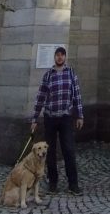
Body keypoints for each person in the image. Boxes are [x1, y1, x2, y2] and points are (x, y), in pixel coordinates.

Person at [31, 45, 84, 195]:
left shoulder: (71, 73)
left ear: (65, 57)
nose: (60, 57)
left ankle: (73, 184)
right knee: (50, 151)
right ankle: (52, 182)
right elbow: (40, 97)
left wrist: (80, 115)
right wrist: (34, 118)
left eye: (62, 55)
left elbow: (77, 96)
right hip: (50, 118)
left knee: (69, 150)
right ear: (54, 57)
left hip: (66, 117)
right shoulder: (48, 75)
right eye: (57, 55)